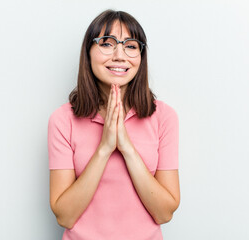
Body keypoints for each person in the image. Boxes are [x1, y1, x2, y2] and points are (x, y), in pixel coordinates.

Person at [48, 9, 180, 240]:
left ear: (141, 56)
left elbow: (164, 213)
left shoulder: (164, 117)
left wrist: (126, 147)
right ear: (88, 53)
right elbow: (65, 217)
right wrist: (105, 148)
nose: (120, 55)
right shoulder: (62, 120)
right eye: (107, 44)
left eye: (130, 45)